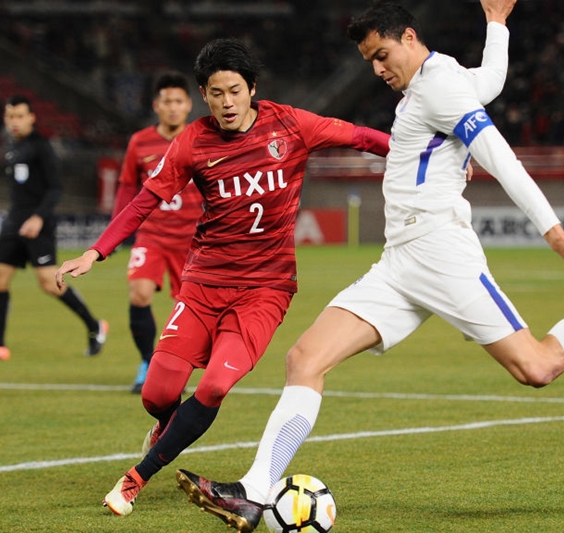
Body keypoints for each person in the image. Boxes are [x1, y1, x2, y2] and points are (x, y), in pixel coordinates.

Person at [174, 2, 564, 532]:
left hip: (440, 253)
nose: (377, 69)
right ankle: (255, 492)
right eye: (370, 60)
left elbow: (498, 154)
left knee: (537, 367)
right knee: (305, 359)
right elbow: (490, 81)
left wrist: (553, 232)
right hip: (400, 261)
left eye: (382, 55)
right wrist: (497, 25)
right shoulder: (441, 79)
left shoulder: (438, 86)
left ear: (410, 37)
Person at [56, 3, 513, 516]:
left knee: (214, 385)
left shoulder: (290, 125)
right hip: (204, 282)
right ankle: (165, 424)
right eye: (215, 93)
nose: (226, 103)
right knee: (158, 392)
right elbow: (145, 199)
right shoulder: (192, 142)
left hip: (266, 288)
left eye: (235, 91)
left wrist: (433, 154)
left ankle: (135, 480)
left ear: (252, 89)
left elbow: (363, 138)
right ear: (202, 97)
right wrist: (96, 251)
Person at [0, 95, 108, 361]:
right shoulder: (13, 148)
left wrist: (39, 217)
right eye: (10, 116)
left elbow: (56, 188)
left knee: (48, 283)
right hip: (13, 221)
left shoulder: (42, 147)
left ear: (32, 117)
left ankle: (94, 325)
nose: (15, 122)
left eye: (20, 116)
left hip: (38, 223)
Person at [111, 71, 201, 394]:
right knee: (139, 293)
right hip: (152, 234)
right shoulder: (140, 142)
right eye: (167, 102)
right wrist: (118, 229)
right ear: (156, 105)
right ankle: (147, 363)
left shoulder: (202, 137)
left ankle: (176, 366)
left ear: (189, 104)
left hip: (192, 240)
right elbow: (126, 188)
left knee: (188, 308)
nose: (173, 108)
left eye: (179, 101)